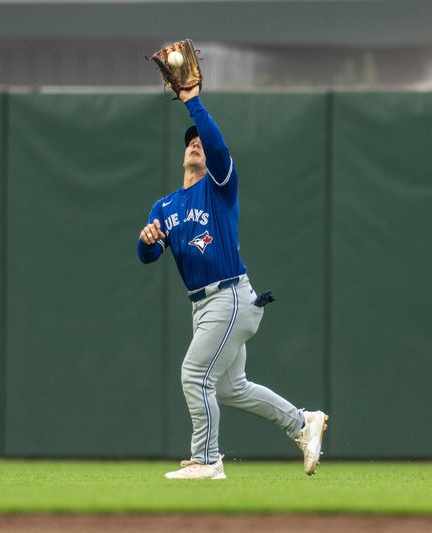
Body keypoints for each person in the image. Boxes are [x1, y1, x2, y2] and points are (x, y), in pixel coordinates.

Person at [137, 86, 328, 479]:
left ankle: (207, 460)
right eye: (190, 142)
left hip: (230, 295)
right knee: (229, 388)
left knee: (194, 374)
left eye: (200, 142)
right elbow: (150, 256)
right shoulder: (165, 206)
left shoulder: (220, 187)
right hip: (203, 304)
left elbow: (218, 147)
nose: (195, 145)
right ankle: (302, 422)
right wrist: (146, 241)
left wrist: (192, 101)